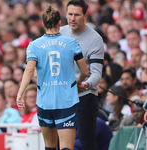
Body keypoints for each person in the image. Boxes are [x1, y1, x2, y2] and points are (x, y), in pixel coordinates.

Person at [17, 5, 88, 150]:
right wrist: (77, 82)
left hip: (45, 102)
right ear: (60, 23)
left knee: (49, 146)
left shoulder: (34, 45)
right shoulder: (72, 43)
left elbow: (29, 69)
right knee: (67, 147)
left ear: (43, 24)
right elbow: (85, 72)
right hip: (66, 101)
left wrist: (20, 93)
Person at [60, 0, 104, 149]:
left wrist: (86, 84)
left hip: (85, 96)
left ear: (85, 16)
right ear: (65, 14)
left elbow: (97, 73)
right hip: (63, 95)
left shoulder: (95, 39)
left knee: (87, 142)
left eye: (77, 15)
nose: (72, 18)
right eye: (70, 14)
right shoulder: (59, 33)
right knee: (62, 143)